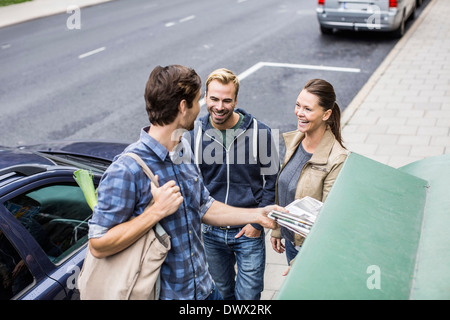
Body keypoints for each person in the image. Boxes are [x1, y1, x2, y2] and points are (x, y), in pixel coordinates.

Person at [87, 65, 281, 300]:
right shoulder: (128, 169)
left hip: (205, 290)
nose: (202, 107)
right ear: (182, 106)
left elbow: (204, 206)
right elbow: (98, 244)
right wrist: (155, 212)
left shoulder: (183, 147)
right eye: (199, 100)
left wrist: (257, 214)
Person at [189, 68, 279, 300]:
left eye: (227, 100)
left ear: (236, 100)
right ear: (205, 97)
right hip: (211, 233)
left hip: (248, 231)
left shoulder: (260, 132)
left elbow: (272, 181)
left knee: (248, 297)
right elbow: (191, 183)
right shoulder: (194, 134)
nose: (219, 106)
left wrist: (256, 225)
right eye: (214, 99)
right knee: (220, 294)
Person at [270, 79, 348, 271]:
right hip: (291, 242)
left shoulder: (337, 159)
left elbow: (328, 219)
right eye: (298, 105)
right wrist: (278, 229)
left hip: (310, 250)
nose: (299, 113)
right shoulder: (295, 140)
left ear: (326, 114)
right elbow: (285, 187)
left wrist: (300, 263)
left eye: (307, 109)